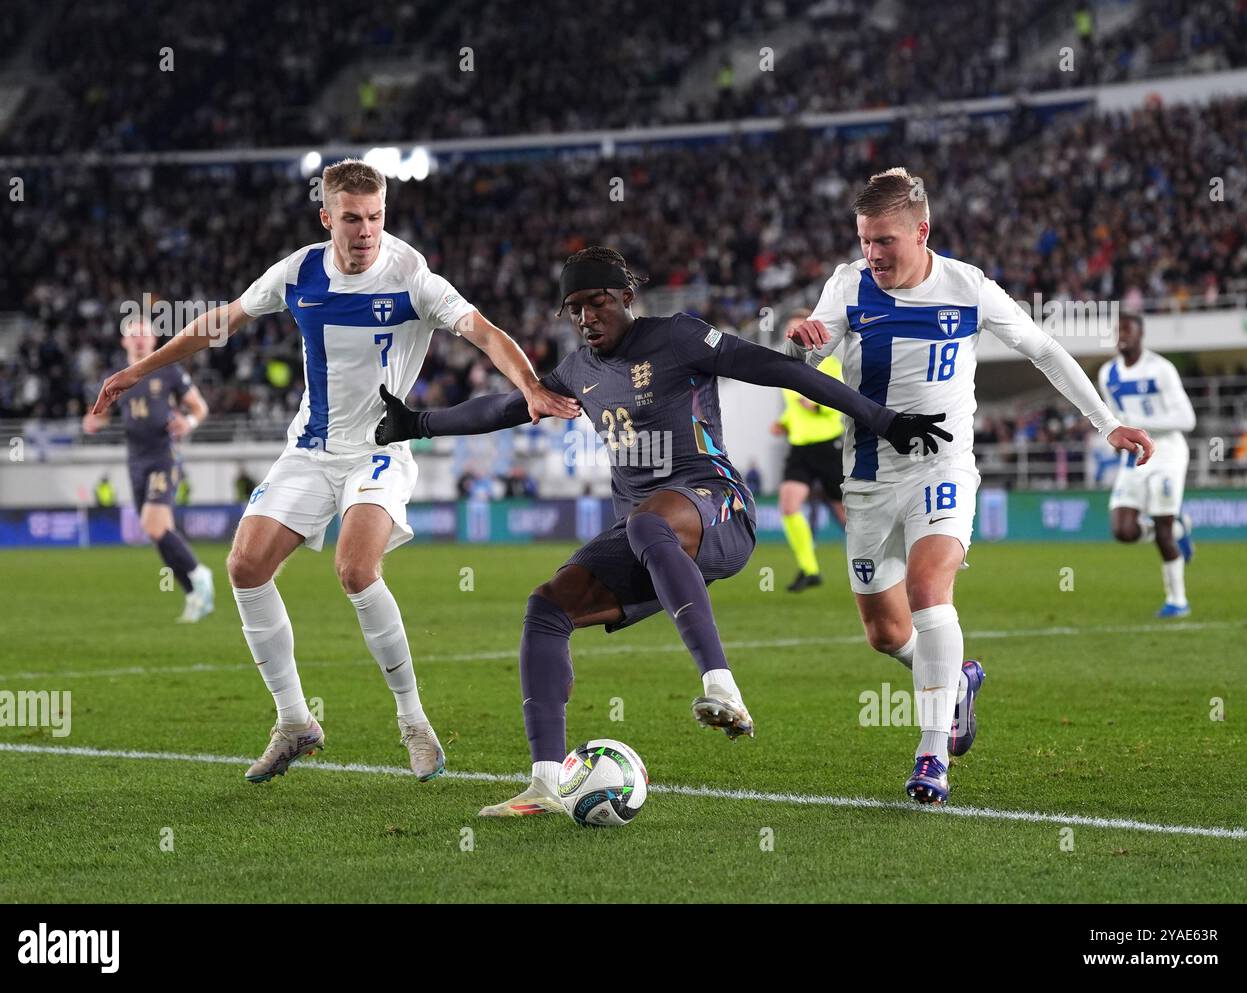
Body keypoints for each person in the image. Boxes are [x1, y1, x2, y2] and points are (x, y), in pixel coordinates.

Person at [375, 245, 952, 817]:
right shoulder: (577, 371)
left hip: (720, 507)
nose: (584, 318)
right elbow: (504, 408)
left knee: (650, 521)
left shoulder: (677, 336)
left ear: (626, 297)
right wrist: (417, 423)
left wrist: (882, 420)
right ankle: (545, 783)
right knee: (547, 608)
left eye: (595, 303)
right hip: (647, 533)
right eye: (572, 309)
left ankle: (722, 685)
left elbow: (777, 369)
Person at [92, 158, 578, 785]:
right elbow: (221, 323)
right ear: (327, 218)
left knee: (354, 568)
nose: (365, 231)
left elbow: (482, 331)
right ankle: (295, 722)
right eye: (351, 219)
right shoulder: (297, 272)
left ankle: (412, 720)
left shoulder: (411, 275)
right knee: (244, 566)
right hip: (311, 447)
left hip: (381, 446)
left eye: (375, 217)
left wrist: (531, 386)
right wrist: (137, 372)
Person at [786, 167, 1154, 804]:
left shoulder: (968, 288)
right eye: (865, 240)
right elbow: (806, 361)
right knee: (884, 634)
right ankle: (957, 680)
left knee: (930, 590)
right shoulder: (847, 286)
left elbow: (1044, 350)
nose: (872, 255)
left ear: (921, 232)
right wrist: (799, 342)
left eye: (885, 242)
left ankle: (932, 754)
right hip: (869, 477)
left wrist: (1108, 423)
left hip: (943, 465)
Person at [83, 320, 214, 622]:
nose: (139, 340)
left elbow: (199, 408)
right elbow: (103, 414)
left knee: (153, 525)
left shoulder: (168, 370)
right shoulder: (117, 378)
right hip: (135, 460)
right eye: (133, 335)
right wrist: (94, 423)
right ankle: (193, 593)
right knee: (158, 531)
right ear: (123, 342)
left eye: (144, 334)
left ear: (154, 339)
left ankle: (198, 572)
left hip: (163, 457)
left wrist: (189, 423)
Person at [1098, 313, 1196, 617]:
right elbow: (1114, 417)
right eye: (1119, 331)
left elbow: (1187, 420)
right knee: (1123, 530)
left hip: (1167, 454)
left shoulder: (1161, 370)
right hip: (1135, 457)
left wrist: (1140, 425)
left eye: (1128, 330)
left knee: (1163, 531)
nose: (1122, 336)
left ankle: (1177, 601)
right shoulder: (1108, 374)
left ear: (1141, 335)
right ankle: (1180, 527)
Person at [771, 306, 848, 592]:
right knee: (788, 505)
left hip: (829, 445)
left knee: (845, 515)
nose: (794, 335)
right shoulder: (787, 368)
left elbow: (844, 403)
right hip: (800, 447)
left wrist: (817, 405)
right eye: (790, 330)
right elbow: (794, 409)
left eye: (798, 329)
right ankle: (809, 568)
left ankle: (874, 563)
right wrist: (784, 423)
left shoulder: (829, 364)